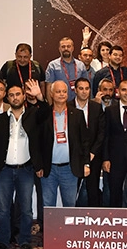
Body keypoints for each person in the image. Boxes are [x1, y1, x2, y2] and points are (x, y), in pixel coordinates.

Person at [0, 82, 45, 249]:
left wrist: (39, 97)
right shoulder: (0, 119)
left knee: (27, 209)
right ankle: (4, 241)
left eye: (18, 94)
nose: (15, 97)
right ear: (7, 97)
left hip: (26, 169)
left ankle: (25, 240)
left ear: (24, 96)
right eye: (12, 95)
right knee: (3, 209)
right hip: (4, 170)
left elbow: (46, 113)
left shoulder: (33, 115)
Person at [36, 80, 90, 209]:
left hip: (69, 168)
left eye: (64, 92)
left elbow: (84, 141)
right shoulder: (44, 115)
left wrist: (86, 163)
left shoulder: (77, 114)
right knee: (48, 206)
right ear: (51, 94)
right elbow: (37, 142)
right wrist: (38, 165)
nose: (61, 94)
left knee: (70, 206)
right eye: (58, 91)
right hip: (49, 168)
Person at [72, 77, 105, 207]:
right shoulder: (68, 106)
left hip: (93, 156)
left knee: (93, 190)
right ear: (75, 90)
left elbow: (101, 132)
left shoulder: (96, 107)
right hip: (74, 156)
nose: (84, 91)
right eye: (81, 88)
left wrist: (93, 152)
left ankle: (93, 217)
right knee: (72, 191)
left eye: (87, 88)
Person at [44, 37, 89, 101]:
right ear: (59, 49)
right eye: (63, 47)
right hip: (59, 103)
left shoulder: (81, 65)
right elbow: (49, 88)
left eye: (68, 46)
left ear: (72, 48)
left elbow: (86, 85)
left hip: (78, 103)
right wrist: (50, 105)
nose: (66, 49)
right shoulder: (52, 65)